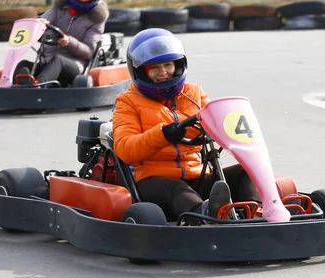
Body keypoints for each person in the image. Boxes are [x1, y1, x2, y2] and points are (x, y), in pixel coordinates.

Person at [112, 28, 261, 221]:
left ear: (178, 65)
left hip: (197, 175)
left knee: (247, 169)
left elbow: (219, 120)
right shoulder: (128, 102)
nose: (163, 72)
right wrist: (163, 135)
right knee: (178, 189)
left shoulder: (194, 93)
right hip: (153, 180)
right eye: (154, 68)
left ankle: (257, 212)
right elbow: (125, 149)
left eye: (168, 64)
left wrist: (228, 128)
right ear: (141, 71)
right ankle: (203, 215)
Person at [0, 0, 109, 87]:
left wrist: (68, 42)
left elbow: (88, 52)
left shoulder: (96, 19)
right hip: (46, 61)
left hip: (75, 66)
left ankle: (39, 86)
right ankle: (7, 84)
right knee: (24, 64)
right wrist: (38, 24)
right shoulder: (60, 8)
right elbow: (43, 20)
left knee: (58, 60)